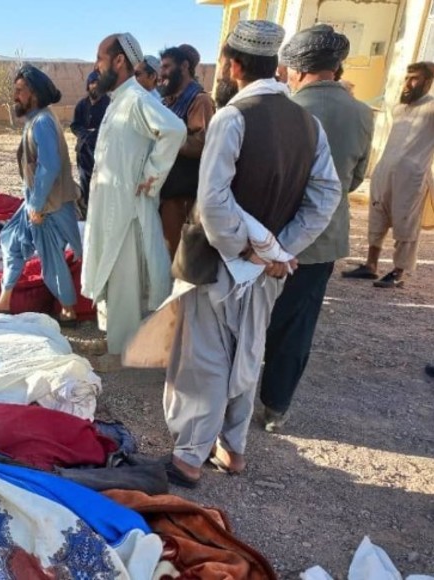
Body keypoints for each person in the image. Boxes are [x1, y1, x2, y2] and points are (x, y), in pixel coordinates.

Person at [161, 20, 341, 487]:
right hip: (266, 270)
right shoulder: (308, 123)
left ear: (234, 65)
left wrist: (251, 250)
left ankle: (189, 458)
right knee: (248, 350)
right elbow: (326, 195)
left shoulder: (232, 117)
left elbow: (213, 202)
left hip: (220, 262)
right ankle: (233, 448)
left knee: (206, 359)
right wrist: (280, 249)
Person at [260, 25, 374, 432]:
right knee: (298, 325)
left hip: (273, 237)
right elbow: (356, 177)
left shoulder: (285, 109)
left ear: (297, 68)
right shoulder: (362, 113)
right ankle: (275, 406)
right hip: (323, 241)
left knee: (255, 318)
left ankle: (236, 397)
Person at [81, 33, 186, 361]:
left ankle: (123, 352)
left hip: (127, 210)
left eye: (100, 58)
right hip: (110, 206)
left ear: (118, 61)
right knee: (111, 275)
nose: (96, 66)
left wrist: (150, 176)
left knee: (124, 280)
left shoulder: (138, 99)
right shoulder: (119, 100)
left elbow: (175, 130)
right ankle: (114, 339)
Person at [0, 64, 82, 326]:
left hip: (47, 205)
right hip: (35, 201)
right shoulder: (36, 119)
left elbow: (49, 166)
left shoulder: (42, 122)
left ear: (34, 94)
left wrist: (36, 205)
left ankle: (69, 310)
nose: (15, 96)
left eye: (20, 90)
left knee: (52, 257)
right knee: (12, 239)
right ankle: (4, 299)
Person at [342, 61, 434, 289]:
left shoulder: (431, 108)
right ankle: (370, 264)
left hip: (411, 176)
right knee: (377, 216)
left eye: (414, 78)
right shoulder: (400, 108)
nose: (408, 83)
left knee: (405, 223)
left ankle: (398, 271)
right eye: (407, 78)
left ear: (428, 82)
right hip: (385, 170)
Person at [158, 45, 216, 259]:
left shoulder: (199, 100)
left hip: (183, 195)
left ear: (184, 66)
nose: (162, 73)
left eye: (167, 67)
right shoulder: (169, 101)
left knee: (180, 257)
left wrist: (165, 139)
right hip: (167, 192)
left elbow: (202, 143)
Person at [70, 70, 109, 214]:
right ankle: (87, 213)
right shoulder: (82, 105)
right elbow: (75, 125)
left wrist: (95, 134)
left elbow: (110, 126)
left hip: (103, 152)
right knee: (85, 183)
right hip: (83, 152)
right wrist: (85, 134)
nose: (95, 86)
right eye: (92, 83)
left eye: (98, 83)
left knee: (101, 185)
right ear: (88, 85)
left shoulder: (109, 104)